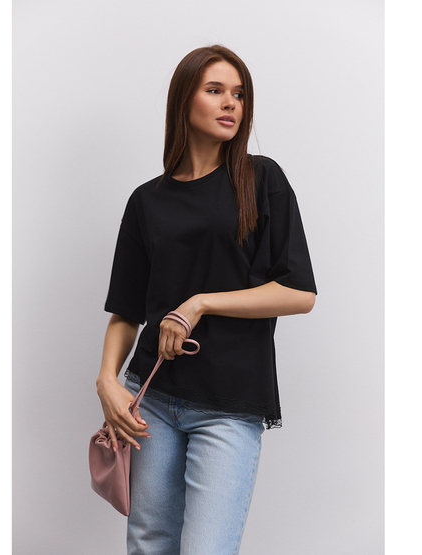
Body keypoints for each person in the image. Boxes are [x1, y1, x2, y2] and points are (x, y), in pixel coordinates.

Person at [96, 44, 317, 555]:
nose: (230, 103)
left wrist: (199, 303)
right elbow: (127, 309)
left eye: (238, 94)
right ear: (183, 100)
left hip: (229, 403)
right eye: (215, 90)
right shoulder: (147, 200)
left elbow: (299, 293)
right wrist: (107, 380)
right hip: (151, 398)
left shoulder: (262, 179)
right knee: (149, 543)